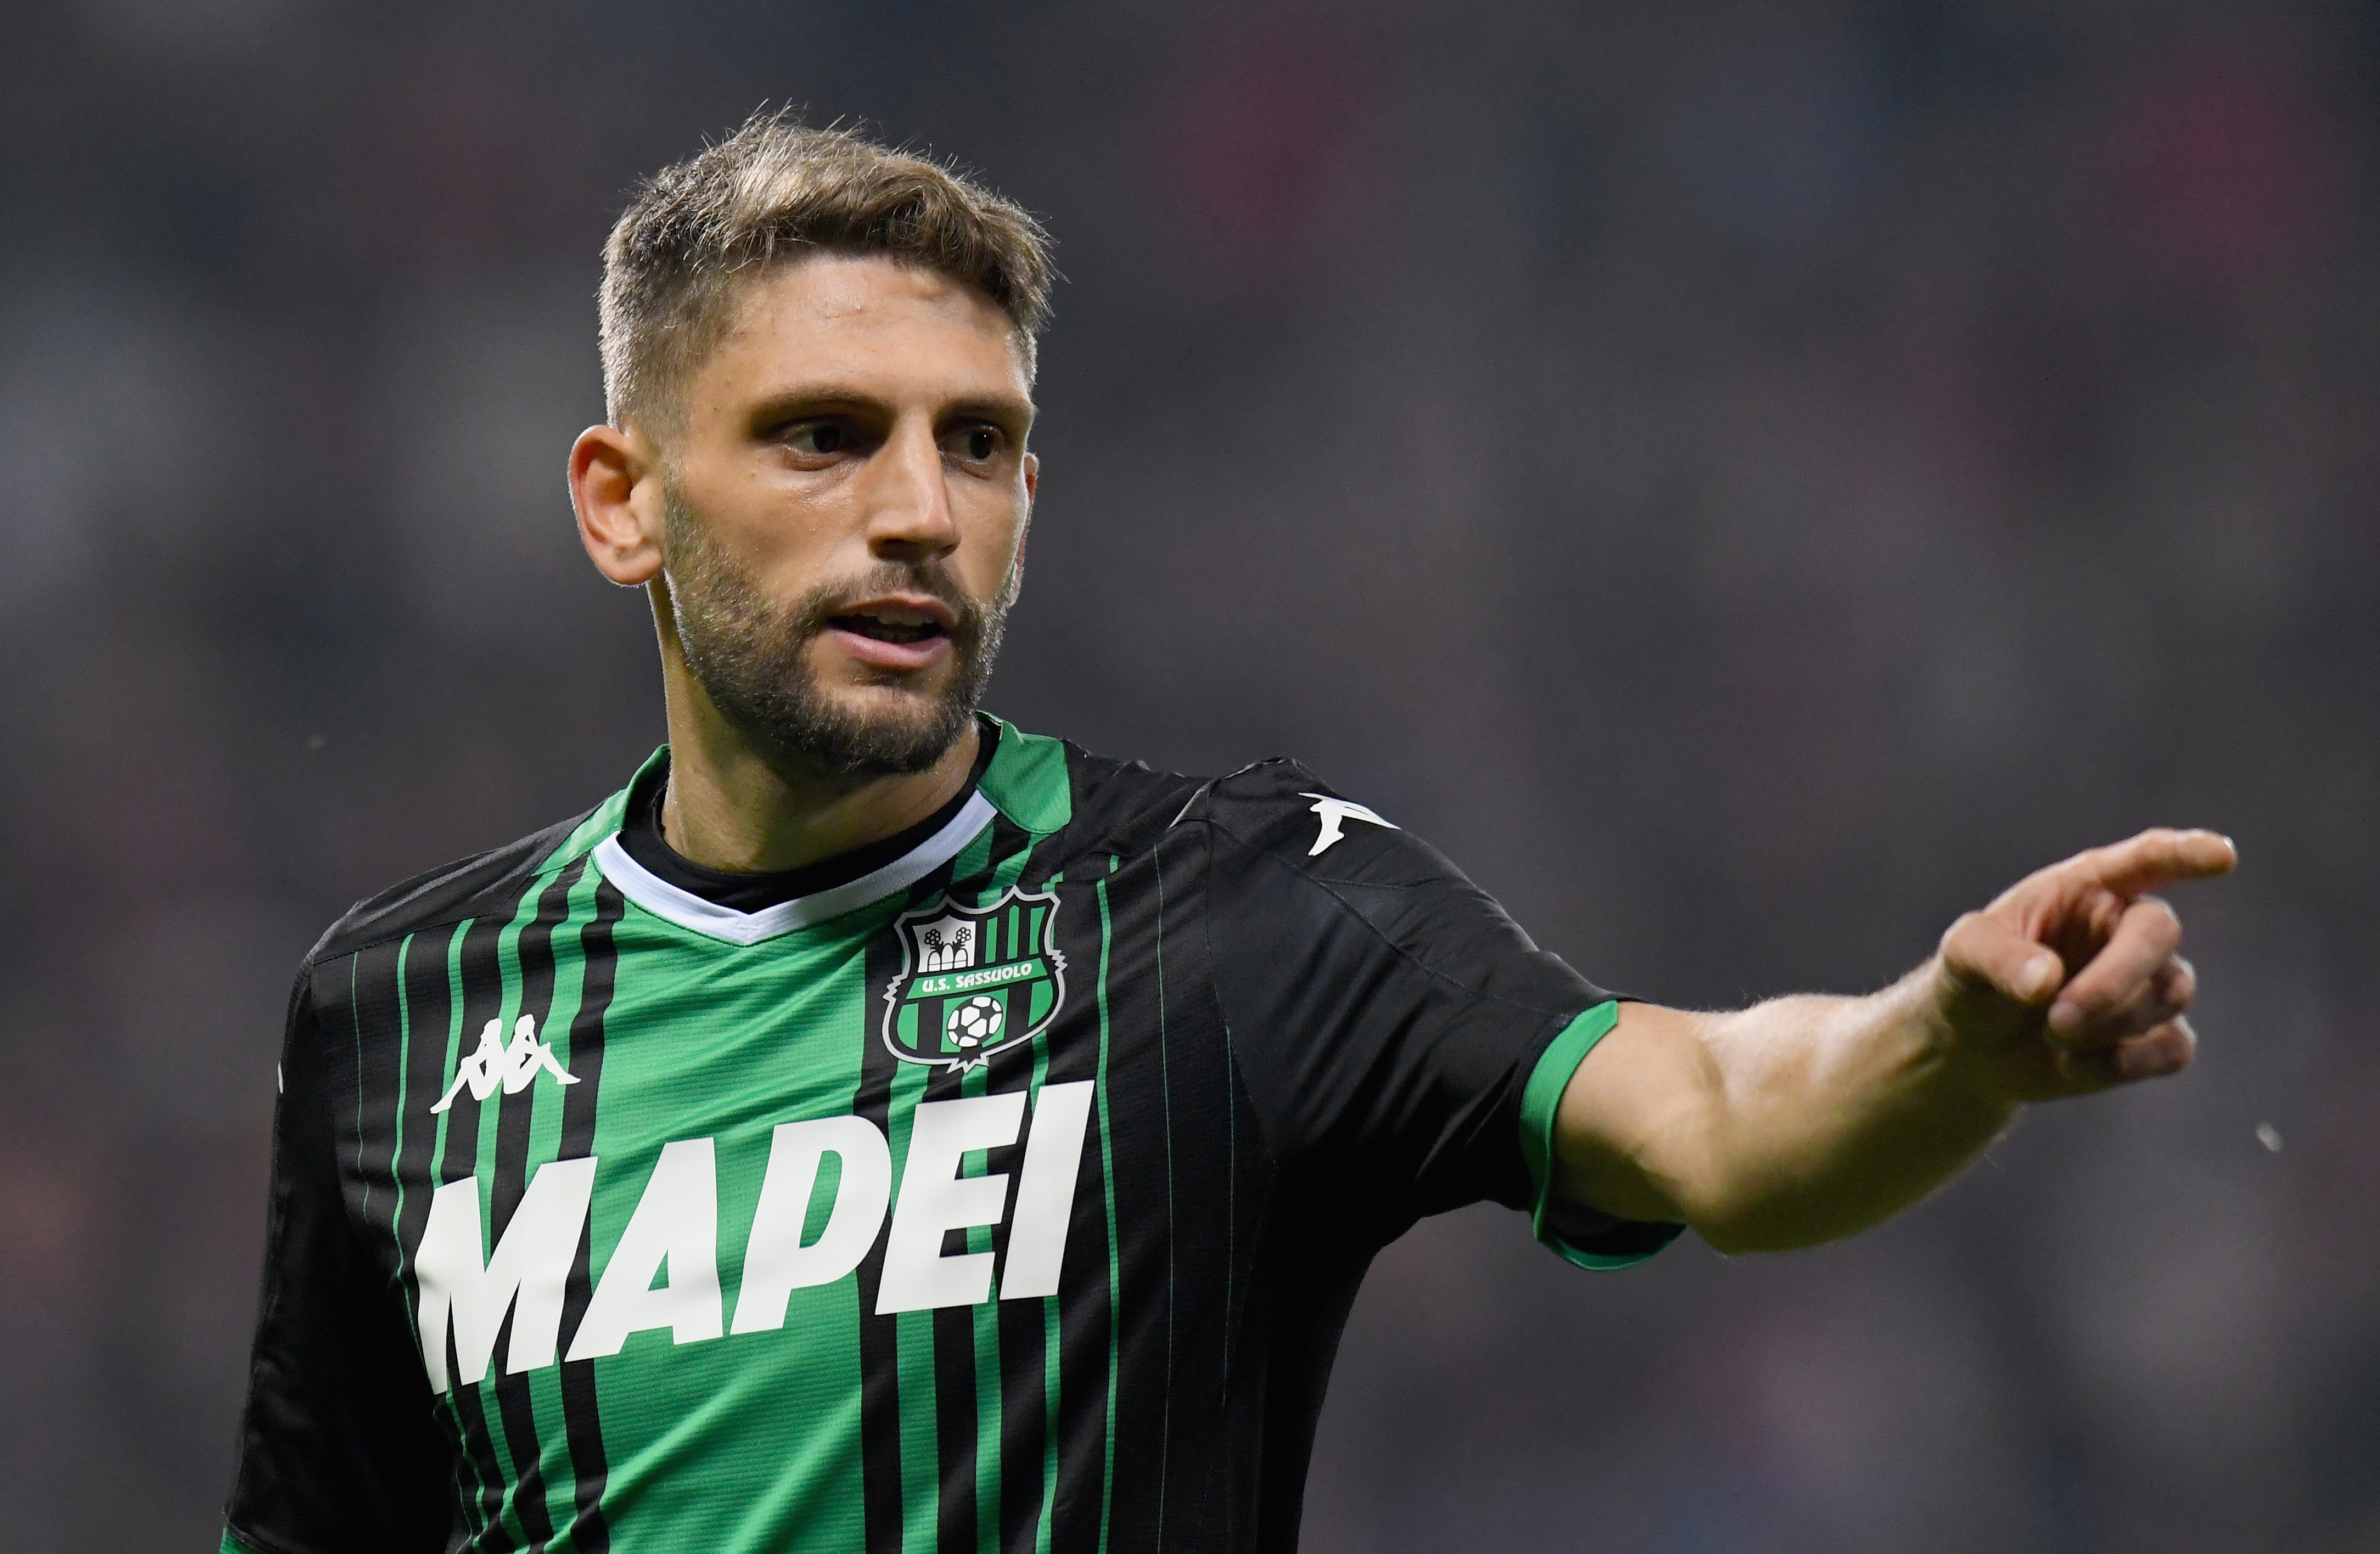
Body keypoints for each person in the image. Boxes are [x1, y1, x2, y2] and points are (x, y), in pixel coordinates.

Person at [220, 113, 2235, 1554]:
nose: (920, 508)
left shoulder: (1238, 914)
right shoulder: (399, 1013)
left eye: (979, 442)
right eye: (825, 434)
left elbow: (1711, 1110)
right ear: (620, 501)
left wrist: (1942, 1044)